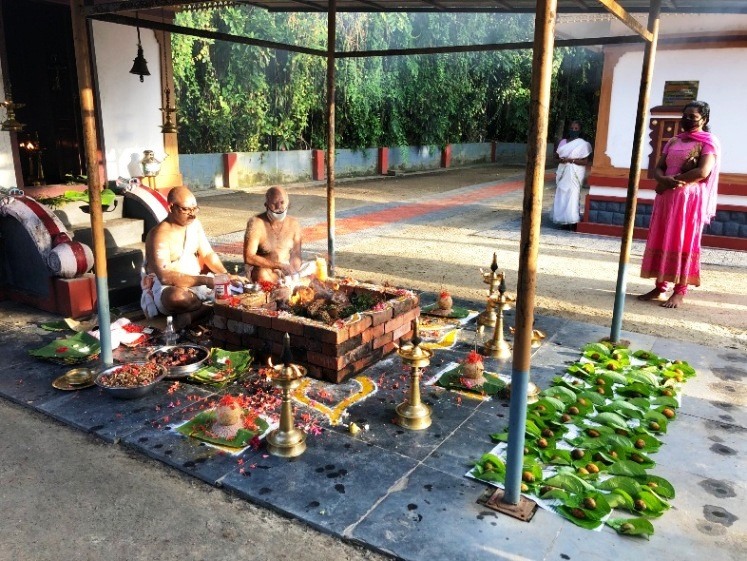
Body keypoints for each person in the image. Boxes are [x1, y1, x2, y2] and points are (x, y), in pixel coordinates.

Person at [638, 100, 720, 309]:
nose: (687, 120)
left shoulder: (708, 142)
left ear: (704, 119)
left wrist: (676, 179)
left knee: (682, 240)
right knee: (662, 237)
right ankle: (660, 286)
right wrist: (664, 180)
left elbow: (702, 171)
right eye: (685, 116)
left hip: (688, 200)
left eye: (692, 117)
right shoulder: (674, 141)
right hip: (666, 196)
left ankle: (680, 291)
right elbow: (658, 167)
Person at [142, 186, 243, 328]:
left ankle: (195, 313)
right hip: (171, 288)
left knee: (239, 287)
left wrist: (225, 275)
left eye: (195, 209)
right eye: (187, 210)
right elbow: (165, 277)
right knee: (176, 298)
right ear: (171, 208)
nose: (192, 214)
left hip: (198, 285)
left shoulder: (194, 224)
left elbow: (207, 254)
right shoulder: (158, 235)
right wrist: (206, 280)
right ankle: (208, 308)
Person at [243, 186, 302, 283]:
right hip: (264, 268)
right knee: (262, 275)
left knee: (315, 269)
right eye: (274, 203)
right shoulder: (256, 223)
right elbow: (249, 257)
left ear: (288, 203)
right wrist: (277, 266)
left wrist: (293, 270)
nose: (279, 207)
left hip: (286, 269)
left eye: (282, 202)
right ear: (266, 205)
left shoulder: (294, 224)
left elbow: (296, 254)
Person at [553, 120, 592, 229]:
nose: (573, 130)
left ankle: (572, 220)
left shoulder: (583, 144)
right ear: (569, 129)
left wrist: (571, 160)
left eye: (576, 129)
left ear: (579, 131)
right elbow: (555, 158)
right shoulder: (562, 142)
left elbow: (585, 161)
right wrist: (562, 161)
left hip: (575, 172)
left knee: (573, 195)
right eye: (572, 128)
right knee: (562, 194)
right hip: (563, 172)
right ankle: (562, 220)